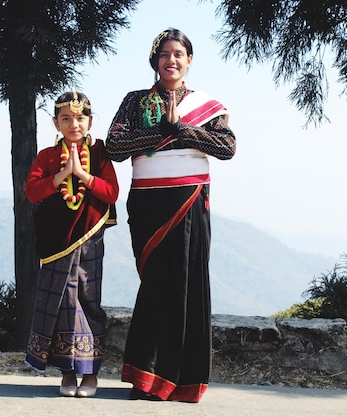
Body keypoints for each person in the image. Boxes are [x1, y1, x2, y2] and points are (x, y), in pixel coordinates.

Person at [105, 28, 236, 403]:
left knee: (185, 285)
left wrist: (180, 129)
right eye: (164, 54)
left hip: (189, 202)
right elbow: (115, 144)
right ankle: (145, 378)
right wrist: (159, 133)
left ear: (189, 60)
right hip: (147, 204)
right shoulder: (135, 101)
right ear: (155, 60)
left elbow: (226, 147)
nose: (171, 60)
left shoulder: (207, 104)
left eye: (179, 54)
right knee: (155, 284)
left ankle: (179, 381)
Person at [25, 91, 119, 398]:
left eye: (80, 118)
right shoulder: (47, 157)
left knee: (89, 299)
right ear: (56, 122)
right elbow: (33, 192)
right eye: (66, 118)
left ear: (90, 121)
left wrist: (82, 175)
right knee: (62, 302)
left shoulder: (100, 153)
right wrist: (62, 175)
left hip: (90, 238)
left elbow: (111, 192)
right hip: (56, 241)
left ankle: (90, 374)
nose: (73, 124)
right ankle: (67, 372)